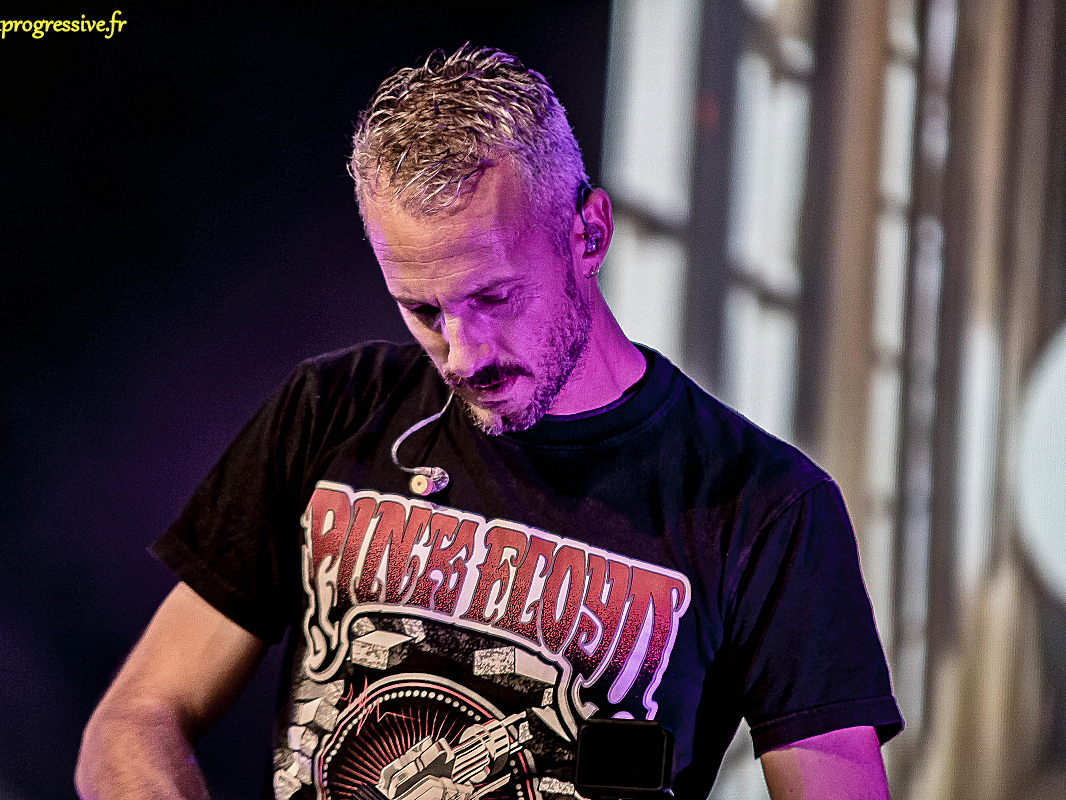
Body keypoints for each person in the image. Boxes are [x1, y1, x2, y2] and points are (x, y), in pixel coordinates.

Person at [75, 44, 902, 800]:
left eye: (495, 297)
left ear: (589, 234)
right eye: (423, 310)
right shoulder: (331, 409)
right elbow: (135, 720)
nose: (464, 354)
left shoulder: (767, 507)